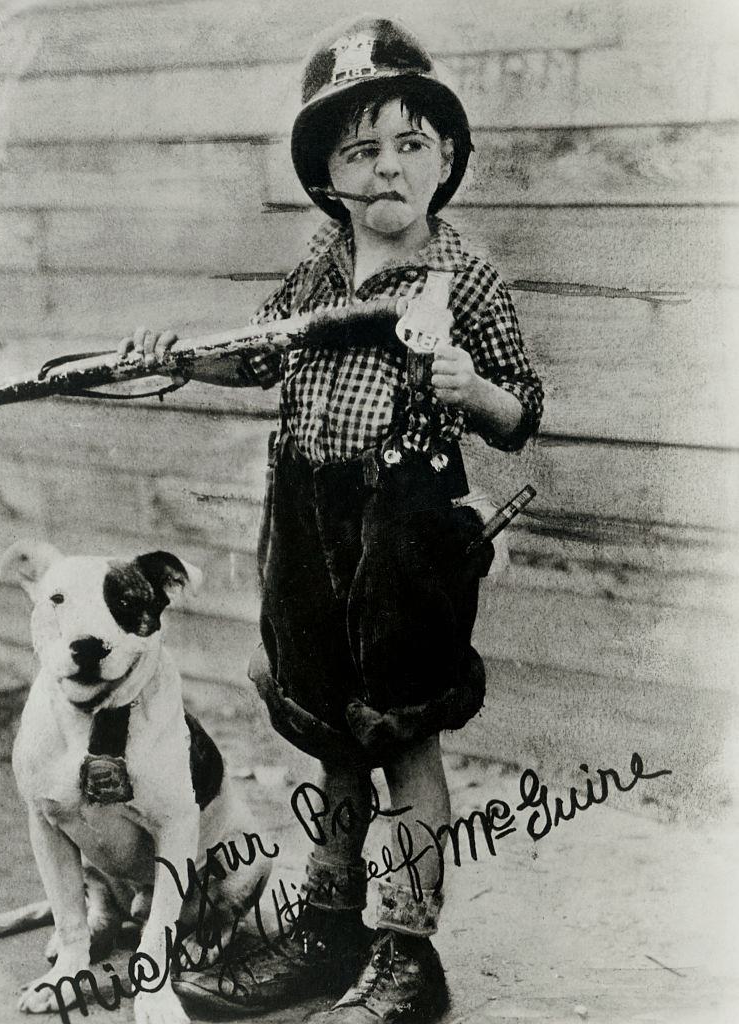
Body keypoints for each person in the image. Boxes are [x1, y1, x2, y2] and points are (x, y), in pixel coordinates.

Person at [120, 17, 543, 1023]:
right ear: (327, 178)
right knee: (331, 737)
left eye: (408, 144)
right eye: (360, 150)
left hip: (407, 544)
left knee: (402, 740)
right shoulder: (316, 269)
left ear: (445, 159)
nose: (386, 169)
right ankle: (327, 930)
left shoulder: (465, 279)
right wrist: (179, 356)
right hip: (308, 532)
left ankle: (407, 952)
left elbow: (521, 412)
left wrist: (470, 385)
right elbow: (258, 354)